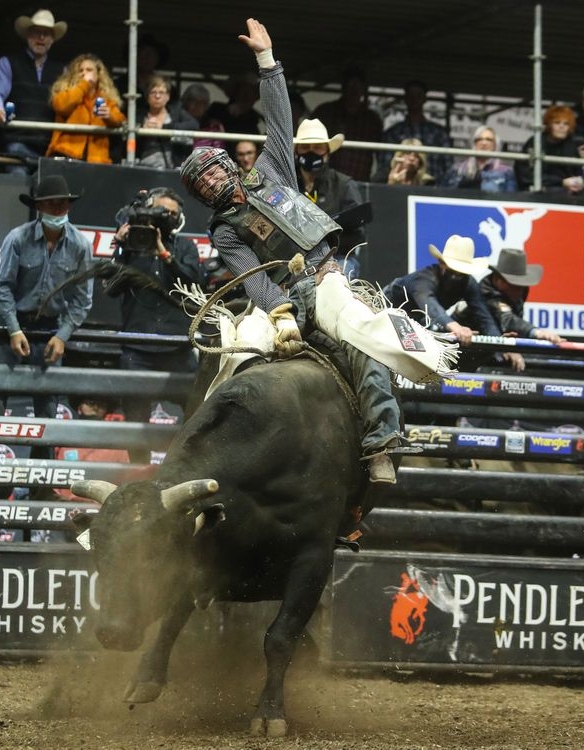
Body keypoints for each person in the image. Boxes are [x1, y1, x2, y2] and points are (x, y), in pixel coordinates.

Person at [179, 18, 455, 484]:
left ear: (227, 164)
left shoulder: (273, 167)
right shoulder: (223, 231)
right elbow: (252, 277)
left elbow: (280, 118)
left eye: (211, 171)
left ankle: (380, 443)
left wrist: (267, 62)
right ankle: (197, 455)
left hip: (326, 277)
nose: (210, 181)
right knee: (231, 358)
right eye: (201, 183)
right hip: (279, 300)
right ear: (201, 195)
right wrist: (279, 312)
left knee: (364, 337)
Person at [0, 175, 94, 500]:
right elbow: (3, 287)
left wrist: (63, 335)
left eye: (64, 203)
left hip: (50, 330)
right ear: (40, 207)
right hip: (11, 328)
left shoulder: (81, 245)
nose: (60, 208)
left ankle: (40, 485)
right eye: (54, 203)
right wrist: (14, 329)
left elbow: (83, 299)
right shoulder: (17, 239)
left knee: (47, 411)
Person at [108, 187, 205, 461]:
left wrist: (163, 252)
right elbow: (111, 289)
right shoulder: (131, 246)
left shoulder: (185, 246)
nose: (167, 217)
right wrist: (120, 249)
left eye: (173, 214)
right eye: (163, 211)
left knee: (197, 412)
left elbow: (195, 285)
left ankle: (184, 467)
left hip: (177, 347)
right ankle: (139, 476)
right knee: (135, 421)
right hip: (137, 349)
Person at [382, 235, 501, 351]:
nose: (457, 277)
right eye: (453, 270)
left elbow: (484, 317)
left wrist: (502, 345)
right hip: (383, 316)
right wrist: (456, 328)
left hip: (417, 323)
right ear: (441, 263)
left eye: (462, 273)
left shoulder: (468, 283)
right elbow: (430, 306)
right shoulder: (423, 280)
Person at [0, 8, 67, 172]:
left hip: (50, 147)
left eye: (47, 34)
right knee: (19, 185)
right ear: (27, 36)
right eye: (37, 32)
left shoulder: (62, 71)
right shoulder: (8, 63)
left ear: (52, 40)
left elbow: (67, 104)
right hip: (17, 142)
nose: (41, 38)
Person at [293, 117, 366, 279]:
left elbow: (358, 234)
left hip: (337, 258)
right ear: (296, 152)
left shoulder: (344, 185)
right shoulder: (287, 185)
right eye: (305, 147)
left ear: (327, 152)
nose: (311, 152)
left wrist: (328, 241)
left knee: (337, 279)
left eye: (318, 147)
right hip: (294, 261)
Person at [479, 248, 564, 372]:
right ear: (498, 281)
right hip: (466, 352)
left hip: (495, 349)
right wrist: (537, 333)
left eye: (521, 285)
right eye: (514, 285)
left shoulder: (521, 291)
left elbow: (512, 323)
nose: (519, 290)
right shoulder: (485, 293)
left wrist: (509, 345)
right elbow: (508, 319)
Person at [46, 53, 126, 164]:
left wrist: (109, 116)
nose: (84, 73)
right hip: (67, 154)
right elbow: (61, 106)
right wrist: (84, 85)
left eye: (89, 70)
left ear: (98, 75)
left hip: (96, 160)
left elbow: (120, 120)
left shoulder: (106, 99)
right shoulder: (65, 92)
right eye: (80, 70)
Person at [311, 67, 382, 181]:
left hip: (360, 182)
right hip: (326, 181)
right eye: (350, 86)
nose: (354, 91)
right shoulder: (325, 112)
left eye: (358, 86)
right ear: (343, 87)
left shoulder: (372, 119)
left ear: (363, 89)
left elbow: (380, 154)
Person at [380, 79, 451, 184]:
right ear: (405, 98)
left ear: (424, 99)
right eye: (410, 95)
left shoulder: (439, 134)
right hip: (400, 187)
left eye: (418, 95)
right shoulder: (393, 133)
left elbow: (448, 169)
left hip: (434, 190)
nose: (414, 99)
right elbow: (385, 167)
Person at [515, 105, 584, 194]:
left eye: (566, 124)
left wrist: (578, 182)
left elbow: (578, 173)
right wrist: (561, 182)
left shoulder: (572, 145)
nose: (561, 127)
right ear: (549, 124)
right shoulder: (536, 142)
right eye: (557, 122)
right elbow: (525, 175)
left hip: (568, 193)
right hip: (540, 191)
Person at [136, 75, 197, 169]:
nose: (157, 96)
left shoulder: (176, 112)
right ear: (147, 96)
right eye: (153, 92)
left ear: (168, 96)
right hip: (143, 168)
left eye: (161, 92)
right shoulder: (139, 115)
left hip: (172, 169)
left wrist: (164, 127)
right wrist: (142, 128)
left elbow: (193, 125)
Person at [443, 125, 517, 193]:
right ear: (474, 143)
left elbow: (511, 199)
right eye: (479, 139)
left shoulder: (506, 172)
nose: (484, 143)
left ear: (495, 145)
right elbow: (444, 194)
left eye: (489, 139)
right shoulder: (458, 169)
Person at [179, 83, 225, 148]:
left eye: (201, 103)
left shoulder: (213, 127)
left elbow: (218, 152)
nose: (197, 106)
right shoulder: (177, 122)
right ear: (185, 102)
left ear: (206, 106)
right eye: (193, 101)